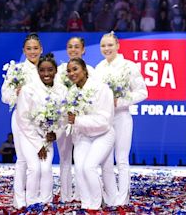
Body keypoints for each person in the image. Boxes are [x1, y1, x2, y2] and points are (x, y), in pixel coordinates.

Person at [95, 32, 148, 206]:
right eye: (103, 45)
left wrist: (121, 101)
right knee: (106, 161)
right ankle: (111, 198)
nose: (107, 48)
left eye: (110, 45)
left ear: (118, 45)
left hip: (122, 117)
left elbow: (143, 92)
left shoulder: (129, 66)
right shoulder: (99, 68)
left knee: (122, 159)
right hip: (104, 119)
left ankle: (122, 199)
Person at [15, 53, 68, 207]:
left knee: (46, 169)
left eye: (50, 70)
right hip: (28, 135)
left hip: (47, 137)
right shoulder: (28, 90)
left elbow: (64, 117)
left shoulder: (62, 90)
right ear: (38, 71)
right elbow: (23, 120)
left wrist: (55, 133)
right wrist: (38, 145)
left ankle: (45, 202)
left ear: (56, 71)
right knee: (34, 168)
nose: (46, 74)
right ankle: (31, 203)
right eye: (42, 70)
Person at [66, 57, 118, 210]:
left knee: (89, 166)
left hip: (104, 134)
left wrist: (78, 120)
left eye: (75, 69)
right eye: (69, 71)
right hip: (83, 135)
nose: (72, 73)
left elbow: (104, 121)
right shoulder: (71, 93)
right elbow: (70, 121)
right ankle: (86, 204)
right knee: (80, 168)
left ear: (85, 70)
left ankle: (95, 205)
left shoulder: (102, 88)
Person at [1, 32, 43, 209]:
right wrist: (15, 94)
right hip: (20, 119)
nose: (32, 52)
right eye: (29, 49)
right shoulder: (16, 70)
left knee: (40, 162)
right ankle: (19, 201)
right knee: (22, 160)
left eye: (35, 48)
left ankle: (36, 197)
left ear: (41, 49)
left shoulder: (47, 68)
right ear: (23, 50)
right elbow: (4, 96)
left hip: (42, 121)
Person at [55, 36, 95, 203]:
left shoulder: (91, 70)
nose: (73, 49)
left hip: (82, 121)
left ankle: (81, 194)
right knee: (64, 158)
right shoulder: (59, 71)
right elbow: (55, 95)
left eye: (77, 46)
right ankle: (65, 195)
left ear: (83, 49)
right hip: (63, 120)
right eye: (70, 46)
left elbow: (93, 95)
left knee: (81, 159)